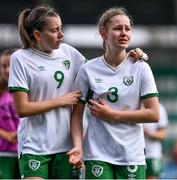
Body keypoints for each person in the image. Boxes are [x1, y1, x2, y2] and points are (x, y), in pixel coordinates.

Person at [8, 4, 148, 179]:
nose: (61, 34)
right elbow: (22, 109)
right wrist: (61, 100)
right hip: (34, 145)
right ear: (37, 34)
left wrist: (132, 56)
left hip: (67, 147)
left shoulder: (69, 53)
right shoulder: (20, 58)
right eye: (54, 30)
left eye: (61, 28)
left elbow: (102, 70)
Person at [68, 7, 159, 179]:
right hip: (97, 154)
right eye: (118, 28)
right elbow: (76, 115)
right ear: (103, 33)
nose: (124, 33)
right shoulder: (88, 69)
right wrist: (78, 146)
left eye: (127, 28)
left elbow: (153, 114)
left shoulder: (141, 67)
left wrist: (113, 115)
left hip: (131, 154)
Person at [0, 48, 20, 179]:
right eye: (3, 66)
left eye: (11, 65)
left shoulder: (28, 90)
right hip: (3, 152)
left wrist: (19, 132)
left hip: (25, 151)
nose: (7, 70)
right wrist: (4, 134)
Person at [144, 103, 168, 179]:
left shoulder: (159, 108)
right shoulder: (131, 105)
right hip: (132, 155)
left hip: (151, 155)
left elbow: (163, 134)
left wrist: (148, 133)